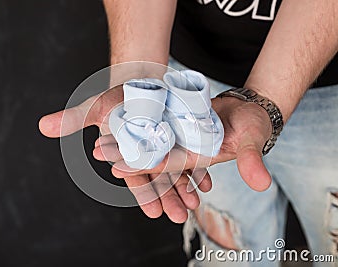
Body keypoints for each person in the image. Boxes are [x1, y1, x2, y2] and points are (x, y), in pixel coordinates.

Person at [39, 0, 338, 266]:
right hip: (189, 71)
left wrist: (266, 97)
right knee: (230, 250)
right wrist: (138, 79)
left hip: (329, 87)